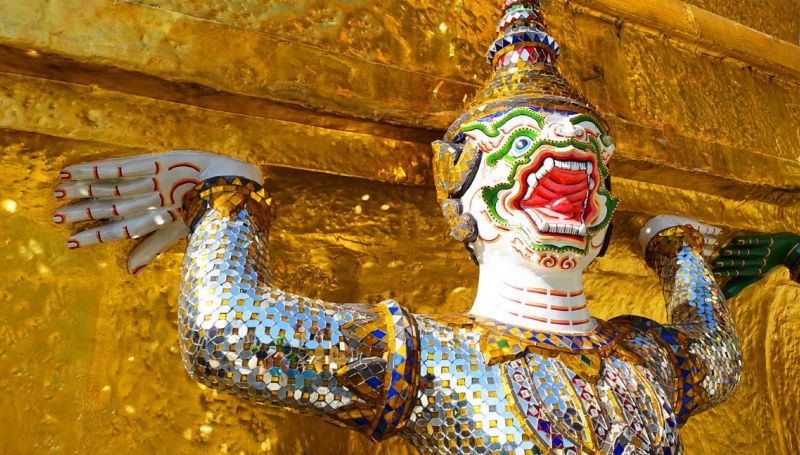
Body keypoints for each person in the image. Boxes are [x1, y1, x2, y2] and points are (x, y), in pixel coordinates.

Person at [52, 1, 800, 453]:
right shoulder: (436, 360)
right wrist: (225, 198)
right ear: (461, 197)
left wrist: (674, 246)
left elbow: (716, 361)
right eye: (529, 161)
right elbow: (228, 336)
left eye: (585, 177)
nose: (568, 193)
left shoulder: (640, 356)